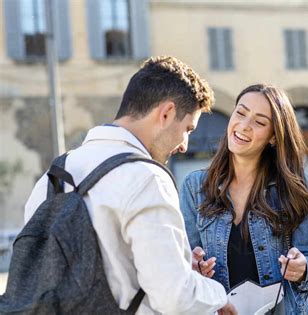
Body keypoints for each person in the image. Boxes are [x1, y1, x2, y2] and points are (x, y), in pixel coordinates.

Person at [23, 56, 235, 314]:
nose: (184, 144)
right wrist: (218, 296)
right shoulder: (146, 178)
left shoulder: (54, 175)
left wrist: (174, 263)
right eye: (188, 128)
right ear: (166, 113)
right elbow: (174, 297)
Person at [180, 84, 308, 314]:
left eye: (259, 122)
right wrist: (194, 266)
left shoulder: (293, 186)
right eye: (240, 112)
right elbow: (184, 261)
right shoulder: (195, 187)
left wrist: (303, 268)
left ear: (274, 137)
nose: (244, 126)